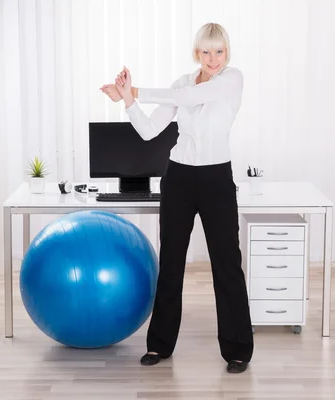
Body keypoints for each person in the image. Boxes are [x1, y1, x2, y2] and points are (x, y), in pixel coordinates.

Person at [100, 22, 253, 374]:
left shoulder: (231, 80)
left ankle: (238, 349)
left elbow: (190, 100)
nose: (213, 59)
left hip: (216, 177)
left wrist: (135, 89)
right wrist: (127, 101)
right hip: (179, 177)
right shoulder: (180, 84)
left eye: (219, 51)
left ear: (226, 53)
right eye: (206, 51)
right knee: (171, 263)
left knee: (227, 263)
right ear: (196, 53)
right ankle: (160, 346)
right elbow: (150, 131)